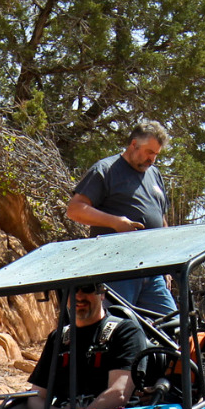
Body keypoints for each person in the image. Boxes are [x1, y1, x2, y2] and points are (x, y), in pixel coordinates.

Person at [66, 120, 177, 318]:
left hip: (152, 271)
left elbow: (160, 219)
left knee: (172, 327)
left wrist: (166, 264)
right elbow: (75, 209)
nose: (152, 159)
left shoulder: (155, 175)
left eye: (156, 154)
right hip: (117, 268)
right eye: (149, 152)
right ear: (133, 145)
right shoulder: (106, 169)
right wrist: (115, 222)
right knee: (118, 326)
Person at [27, 282, 151, 409]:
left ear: (101, 293)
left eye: (87, 289)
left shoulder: (125, 332)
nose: (79, 296)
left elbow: (119, 393)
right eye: (72, 290)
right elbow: (36, 397)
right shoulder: (58, 338)